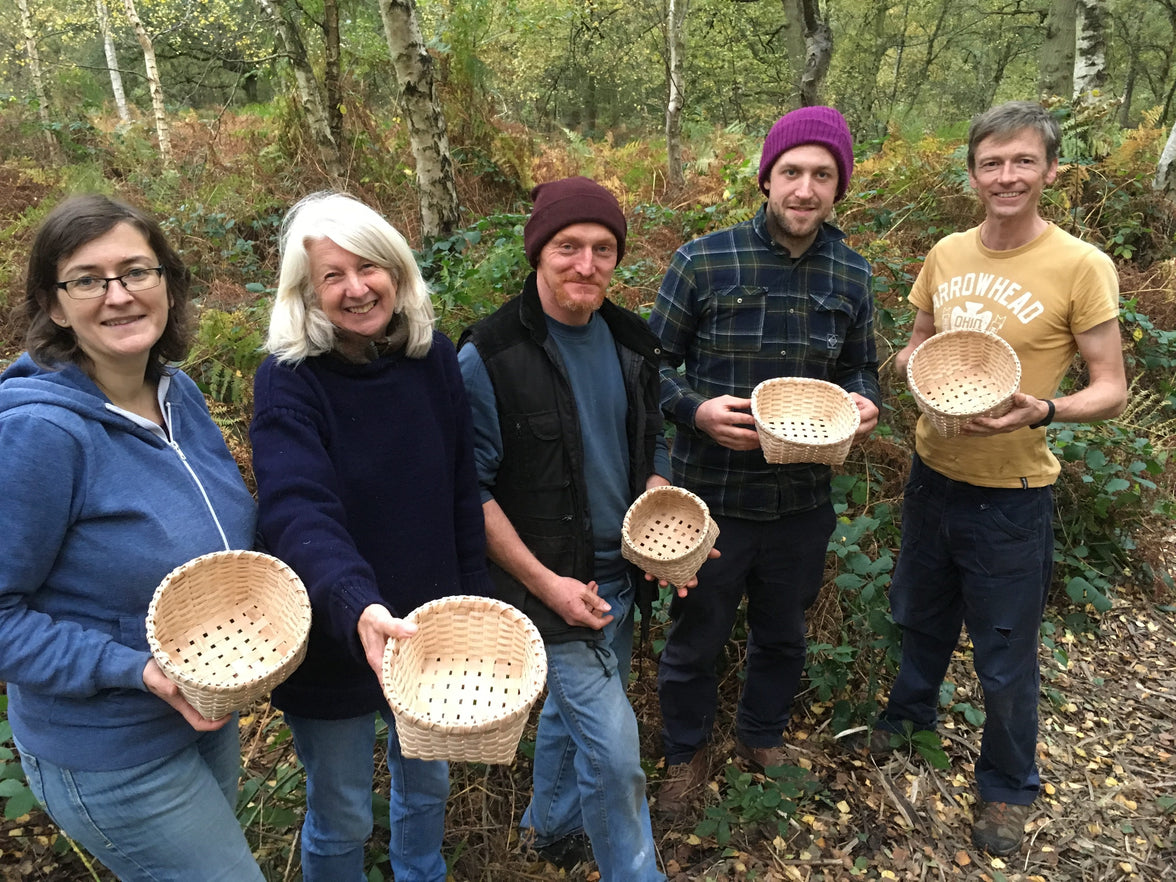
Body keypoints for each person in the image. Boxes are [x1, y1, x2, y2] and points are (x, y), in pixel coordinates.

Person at [873, 101, 1127, 855]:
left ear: (1050, 170)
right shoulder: (948, 253)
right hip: (933, 475)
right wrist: (908, 373)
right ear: (973, 173)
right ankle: (907, 718)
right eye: (992, 162)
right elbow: (914, 345)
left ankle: (1007, 787)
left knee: (1004, 651)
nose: (1006, 176)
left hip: (1012, 497)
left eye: (1023, 162)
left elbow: (1110, 386)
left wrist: (1043, 408)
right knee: (919, 614)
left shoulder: (1081, 265)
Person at [0, 195, 263, 881]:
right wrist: (134, 669)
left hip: (203, 711)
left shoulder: (179, 393)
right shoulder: (40, 434)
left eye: (137, 272)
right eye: (87, 279)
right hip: (111, 749)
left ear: (168, 285)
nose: (118, 296)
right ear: (55, 306)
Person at [249, 191, 493, 882]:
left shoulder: (432, 358)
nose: (356, 288)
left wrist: (475, 604)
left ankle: (422, 873)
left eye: (369, 267)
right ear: (306, 293)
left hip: (426, 633)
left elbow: (458, 489)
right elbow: (297, 509)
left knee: (427, 787)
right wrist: (356, 602)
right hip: (336, 628)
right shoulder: (288, 381)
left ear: (397, 270)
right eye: (332, 276)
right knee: (344, 809)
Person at [649, 106, 880, 817]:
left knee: (784, 633)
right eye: (792, 173)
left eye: (822, 175)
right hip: (711, 502)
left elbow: (864, 372)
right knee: (695, 640)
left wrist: (866, 405)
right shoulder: (704, 259)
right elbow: (647, 367)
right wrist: (697, 412)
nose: (805, 189)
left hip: (801, 506)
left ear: (838, 185)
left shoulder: (851, 273)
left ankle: (759, 736)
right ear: (766, 179)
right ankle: (684, 755)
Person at [457, 177, 669, 881]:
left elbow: (651, 440)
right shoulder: (488, 356)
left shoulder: (632, 341)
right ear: (537, 252)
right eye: (568, 246)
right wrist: (547, 585)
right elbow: (472, 491)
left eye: (603, 249)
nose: (586, 265)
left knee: (569, 719)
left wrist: (661, 500)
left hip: (622, 576)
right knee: (615, 755)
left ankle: (550, 826)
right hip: (550, 586)